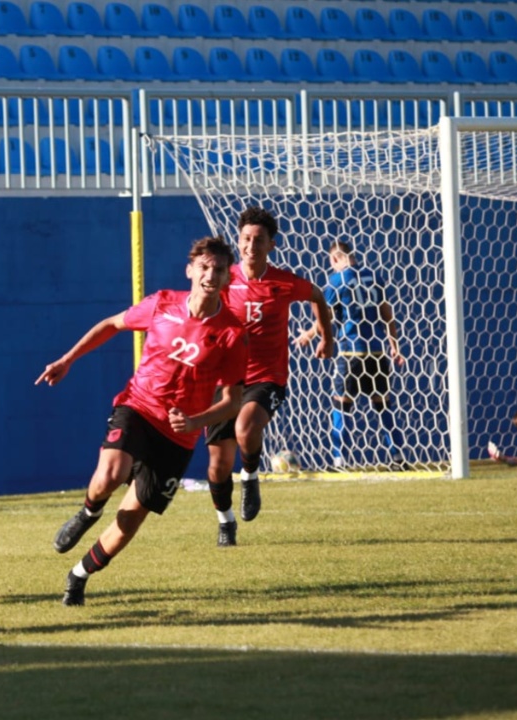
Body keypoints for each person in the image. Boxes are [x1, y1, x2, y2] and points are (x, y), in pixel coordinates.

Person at [38, 237, 248, 606]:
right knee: (109, 474)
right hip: (139, 406)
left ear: (227, 278)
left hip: (178, 438)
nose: (210, 275)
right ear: (190, 270)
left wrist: (197, 420)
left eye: (218, 269)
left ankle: (78, 576)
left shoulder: (231, 332)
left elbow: (233, 401)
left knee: (129, 522)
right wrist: (68, 359)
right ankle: (88, 510)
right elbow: (111, 324)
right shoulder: (162, 302)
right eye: (203, 267)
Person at [207, 206, 333, 546]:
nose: (251, 246)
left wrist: (326, 337)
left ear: (271, 245)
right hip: (226, 379)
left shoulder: (284, 281)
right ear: (239, 241)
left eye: (259, 240)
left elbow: (318, 297)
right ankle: (225, 522)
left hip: (267, 377)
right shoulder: (223, 279)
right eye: (246, 239)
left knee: (245, 427)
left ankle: (250, 477)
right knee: (218, 466)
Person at [294, 240, 405, 470]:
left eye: (331, 263)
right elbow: (387, 313)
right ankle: (397, 458)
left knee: (340, 405)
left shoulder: (337, 281)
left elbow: (327, 315)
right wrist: (394, 345)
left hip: (351, 353)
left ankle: (339, 461)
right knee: (383, 406)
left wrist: (308, 335)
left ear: (336, 259)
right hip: (377, 352)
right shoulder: (375, 277)